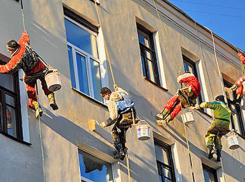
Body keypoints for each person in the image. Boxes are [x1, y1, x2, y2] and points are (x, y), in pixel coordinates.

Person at [0, 31, 58, 118]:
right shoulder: (23, 43)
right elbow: (25, 36)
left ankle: (36, 106)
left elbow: (8, 69)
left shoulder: (17, 58)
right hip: (42, 69)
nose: (8, 51)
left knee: (30, 89)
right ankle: (51, 99)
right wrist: (24, 32)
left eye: (9, 50)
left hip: (31, 74)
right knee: (45, 84)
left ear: (12, 50)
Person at [99, 85, 137, 160]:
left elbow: (113, 117)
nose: (104, 98)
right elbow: (126, 94)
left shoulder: (111, 101)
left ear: (107, 94)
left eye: (103, 96)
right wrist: (118, 88)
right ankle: (123, 150)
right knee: (122, 132)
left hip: (125, 116)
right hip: (133, 114)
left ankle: (120, 151)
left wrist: (105, 123)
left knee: (114, 131)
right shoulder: (121, 93)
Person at [196, 95, 231, 162]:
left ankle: (210, 148)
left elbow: (207, 104)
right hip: (226, 125)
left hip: (219, 121)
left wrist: (199, 106)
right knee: (218, 137)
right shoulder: (227, 108)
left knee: (210, 133)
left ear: (218, 100)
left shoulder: (218, 104)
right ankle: (218, 153)